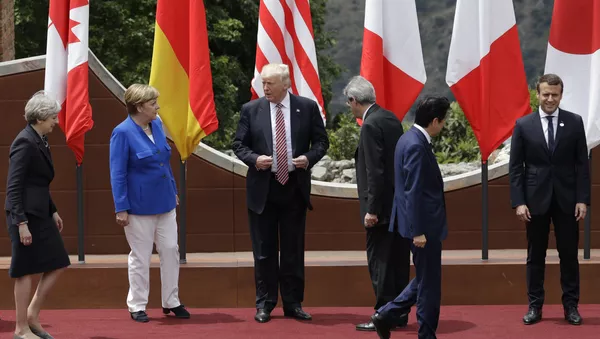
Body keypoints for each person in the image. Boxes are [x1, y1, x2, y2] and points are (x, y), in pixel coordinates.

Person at [232, 63, 329, 323]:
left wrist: (308, 158)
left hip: (294, 188)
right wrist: (254, 159)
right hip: (263, 189)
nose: (265, 88)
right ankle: (264, 303)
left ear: (286, 84)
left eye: (270, 83)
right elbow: (238, 144)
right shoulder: (251, 110)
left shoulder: (306, 108)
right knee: (263, 251)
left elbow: (322, 142)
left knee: (293, 249)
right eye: (263, 82)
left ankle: (293, 303)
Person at [509, 74, 590, 326]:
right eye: (546, 94)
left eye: (554, 94)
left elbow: (582, 165)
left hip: (567, 201)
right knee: (536, 256)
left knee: (569, 256)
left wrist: (582, 199)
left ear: (561, 95)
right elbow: (516, 168)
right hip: (534, 202)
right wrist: (519, 201)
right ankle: (535, 307)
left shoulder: (574, 123)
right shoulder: (523, 125)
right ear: (537, 93)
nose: (550, 99)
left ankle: (571, 307)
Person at [109, 84, 190, 323]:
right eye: (153, 103)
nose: (157, 106)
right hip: (138, 206)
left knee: (170, 250)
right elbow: (117, 173)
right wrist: (120, 207)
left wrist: (173, 190)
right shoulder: (122, 132)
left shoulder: (156, 124)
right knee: (141, 256)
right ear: (139, 106)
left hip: (165, 202)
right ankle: (137, 305)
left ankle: (171, 300)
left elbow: (164, 162)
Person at [372, 96, 450, 339]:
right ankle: (426, 334)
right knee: (429, 285)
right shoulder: (416, 145)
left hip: (419, 224)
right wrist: (418, 231)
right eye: (444, 121)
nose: (444, 125)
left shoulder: (407, 138)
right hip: (423, 228)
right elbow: (413, 190)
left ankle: (385, 315)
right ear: (435, 121)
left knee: (426, 278)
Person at [344, 76, 411, 331]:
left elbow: (375, 172)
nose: (350, 108)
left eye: (349, 103)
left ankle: (384, 313)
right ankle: (399, 313)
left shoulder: (370, 125)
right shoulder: (391, 118)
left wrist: (372, 210)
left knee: (380, 262)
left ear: (354, 100)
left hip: (381, 210)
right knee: (398, 260)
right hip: (398, 206)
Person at [5, 91, 71, 339]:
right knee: (24, 269)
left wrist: (52, 210)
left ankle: (32, 314)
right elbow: (14, 186)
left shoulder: (40, 139)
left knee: (58, 262)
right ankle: (20, 329)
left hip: (41, 214)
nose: (56, 121)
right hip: (24, 217)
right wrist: (21, 223)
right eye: (53, 117)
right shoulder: (24, 141)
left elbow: (38, 182)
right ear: (41, 117)